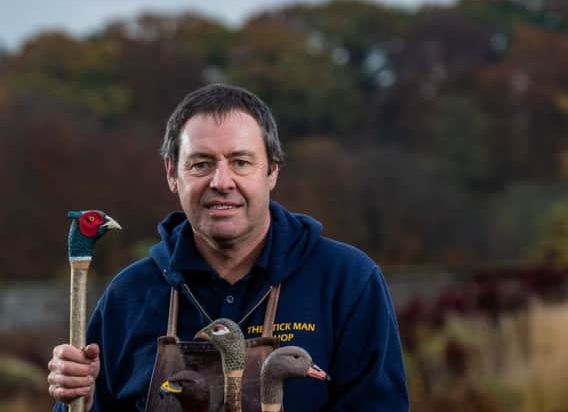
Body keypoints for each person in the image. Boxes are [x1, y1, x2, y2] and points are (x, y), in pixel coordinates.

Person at [48, 83, 408, 411]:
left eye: (240, 162)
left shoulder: (347, 282)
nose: (221, 182)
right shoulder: (127, 297)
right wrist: (79, 399)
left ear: (272, 171)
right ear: (172, 174)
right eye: (201, 164)